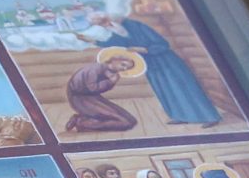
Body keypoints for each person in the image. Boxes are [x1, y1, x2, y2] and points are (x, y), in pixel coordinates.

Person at [80, 10, 221, 126]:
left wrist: (145, 49)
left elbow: (163, 44)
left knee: (184, 88)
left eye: (104, 22)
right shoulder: (115, 31)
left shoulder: (135, 26)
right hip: (150, 64)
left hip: (166, 61)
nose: (105, 26)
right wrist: (93, 41)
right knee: (164, 90)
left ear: (108, 18)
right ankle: (180, 116)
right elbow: (117, 44)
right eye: (101, 25)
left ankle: (210, 116)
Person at [63, 49, 139, 133]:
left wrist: (110, 81)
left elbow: (96, 90)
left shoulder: (110, 72)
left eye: (127, 68)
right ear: (114, 60)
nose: (124, 69)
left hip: (93, 97)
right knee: (124, 122)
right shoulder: (94, 69)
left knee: (131, 120)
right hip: (79, 98)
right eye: (123, 64)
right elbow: (92, 88)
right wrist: (110, 82)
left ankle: (84, 118)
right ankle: (81, 122)